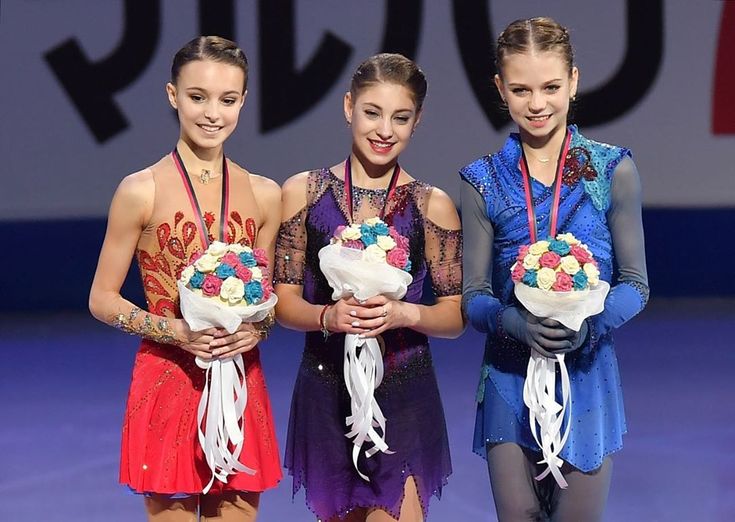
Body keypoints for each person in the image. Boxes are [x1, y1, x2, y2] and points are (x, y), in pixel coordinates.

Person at [460, 17, 649, 522]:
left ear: (574, 81)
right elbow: (473, 296)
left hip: (588, 374)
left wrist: (589, 325)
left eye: (550, 87)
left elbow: (635, 285)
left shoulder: (612, 170)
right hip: (508, 376)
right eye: (521, 89)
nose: (537, 103)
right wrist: (514, 323)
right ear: (500, 88)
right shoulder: (482, 179)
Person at [89, 36, 282, 521]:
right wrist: (175, 331)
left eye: (227, 99)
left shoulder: (265, 194)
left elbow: (267, 301)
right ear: (173, 95)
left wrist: (255, 330)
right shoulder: (140, 190)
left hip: (238, 379)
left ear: (243, 100)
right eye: (198, 97)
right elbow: (102, 298)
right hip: (167, 377)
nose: (212, 113)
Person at [274, 53, 464, 522]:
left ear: (417, 121)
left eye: (400, 117)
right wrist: (327, 316)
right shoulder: (303, 193)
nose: (384, 130)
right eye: (372, 113)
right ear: (348, 107)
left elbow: (455, 314)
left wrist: (406, 314)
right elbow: (283, 301)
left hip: (404, 392)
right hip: (325, 389)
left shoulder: (431, 205)